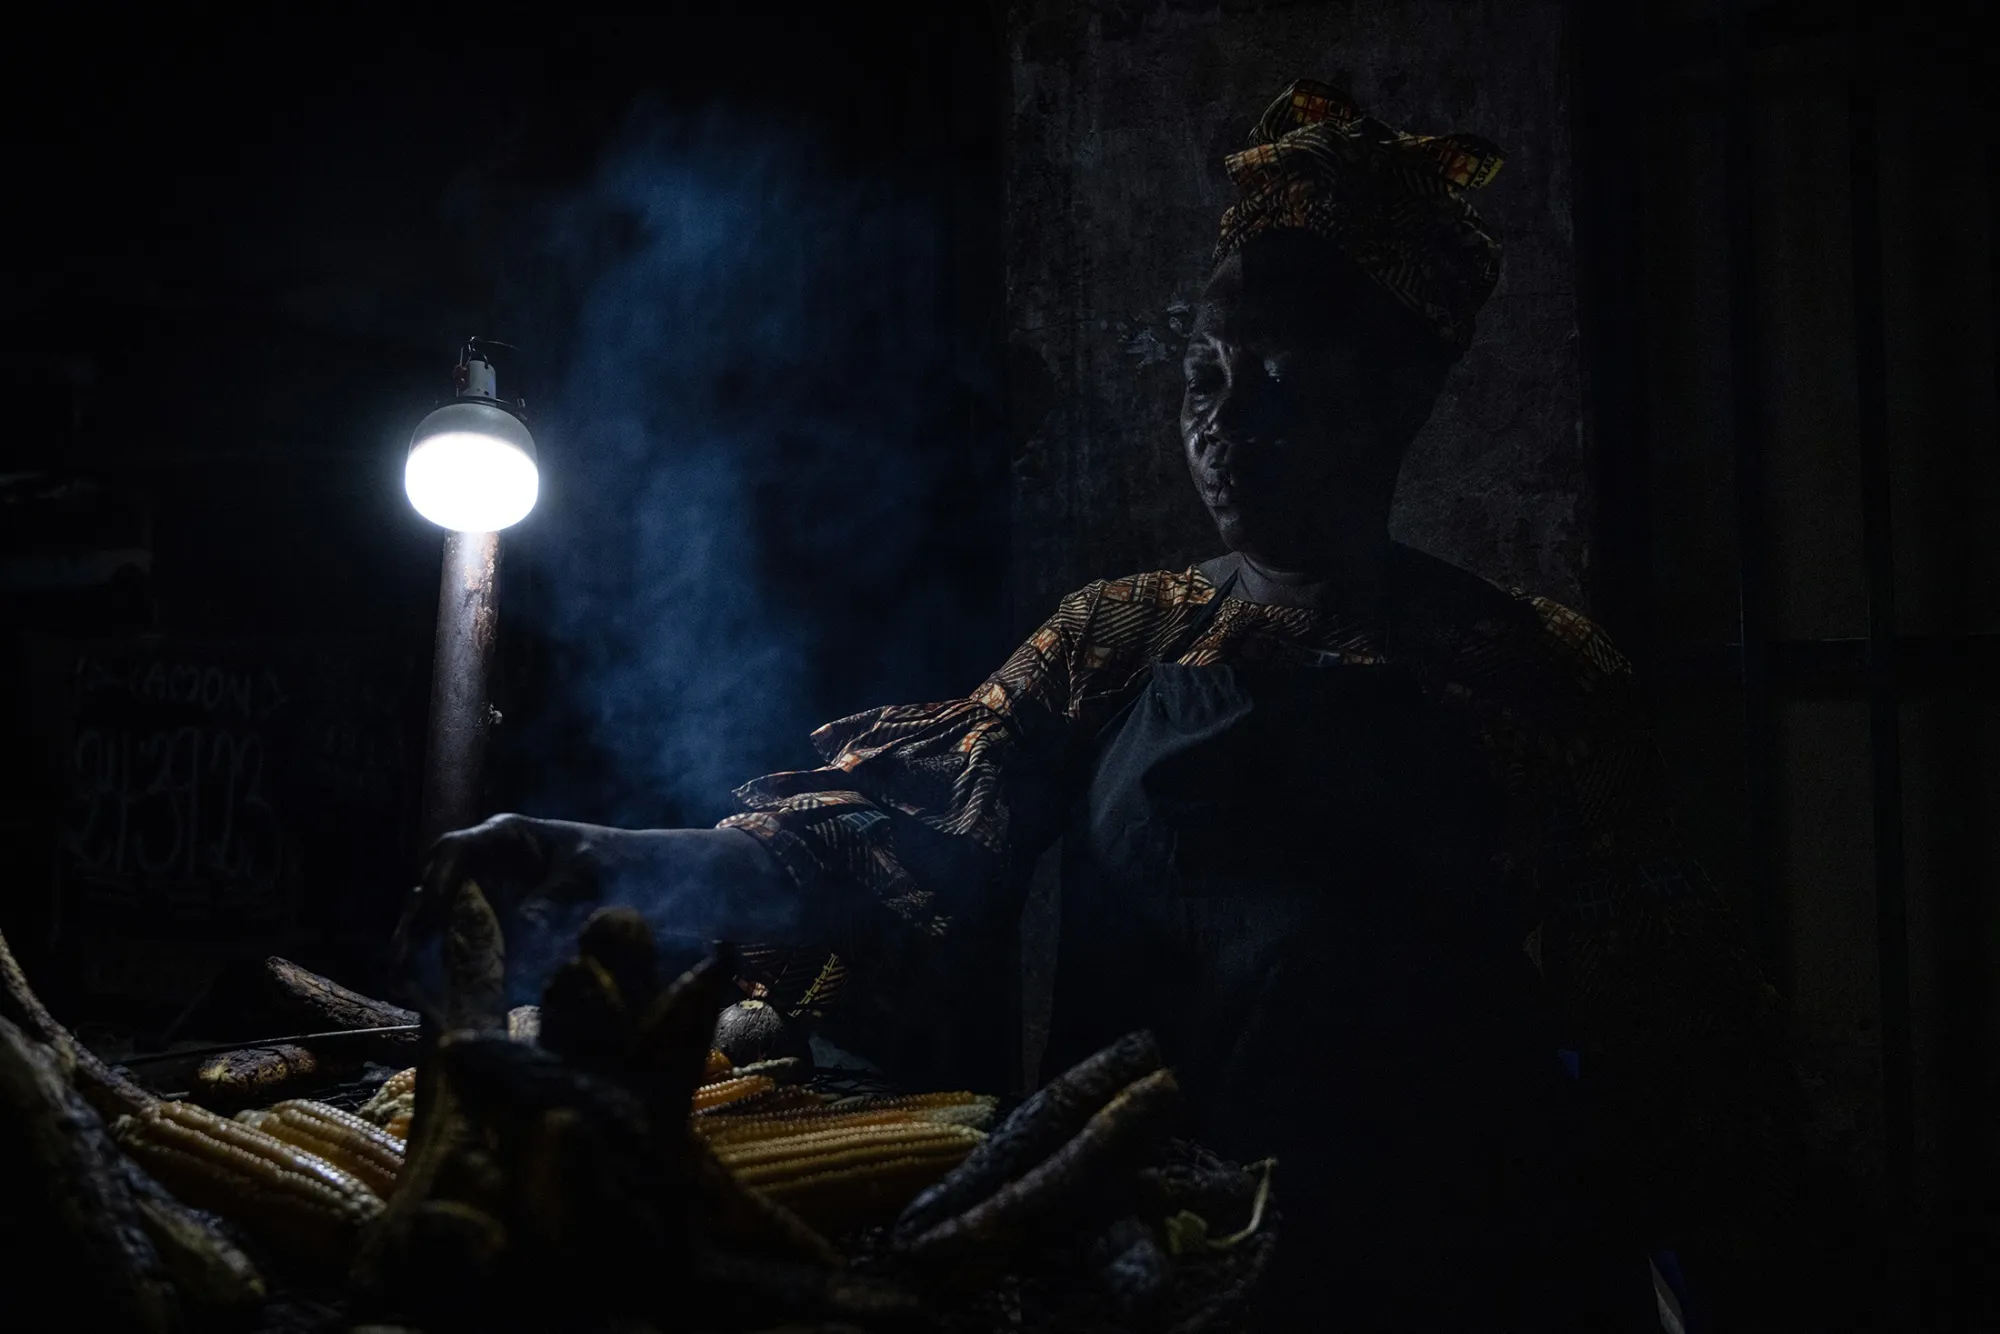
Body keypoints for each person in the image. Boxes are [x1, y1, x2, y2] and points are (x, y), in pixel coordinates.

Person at [407, 81, 1800, 1329]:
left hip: (1472, 1273)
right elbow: (895, 839)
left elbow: (1677, 1057)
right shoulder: (1124, 633)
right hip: (1168, 1261)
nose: (1226, 421)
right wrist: (600, 860)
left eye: (1280, 380)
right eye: (1205, 373)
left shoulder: (1539, 671)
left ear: (1398, 398)